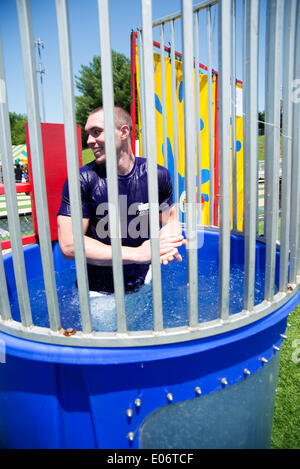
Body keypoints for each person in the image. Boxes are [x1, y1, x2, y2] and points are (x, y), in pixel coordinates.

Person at [57, 106, 185, 294]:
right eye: (88, 134)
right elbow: (69, 245)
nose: (89, 141)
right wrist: (138, 254)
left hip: (145, 279)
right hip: (99, 291)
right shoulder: (82, 179)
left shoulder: (157, 175)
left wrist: (169, 242)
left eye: (96, 132)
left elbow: (170, 220)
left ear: (124, 132)